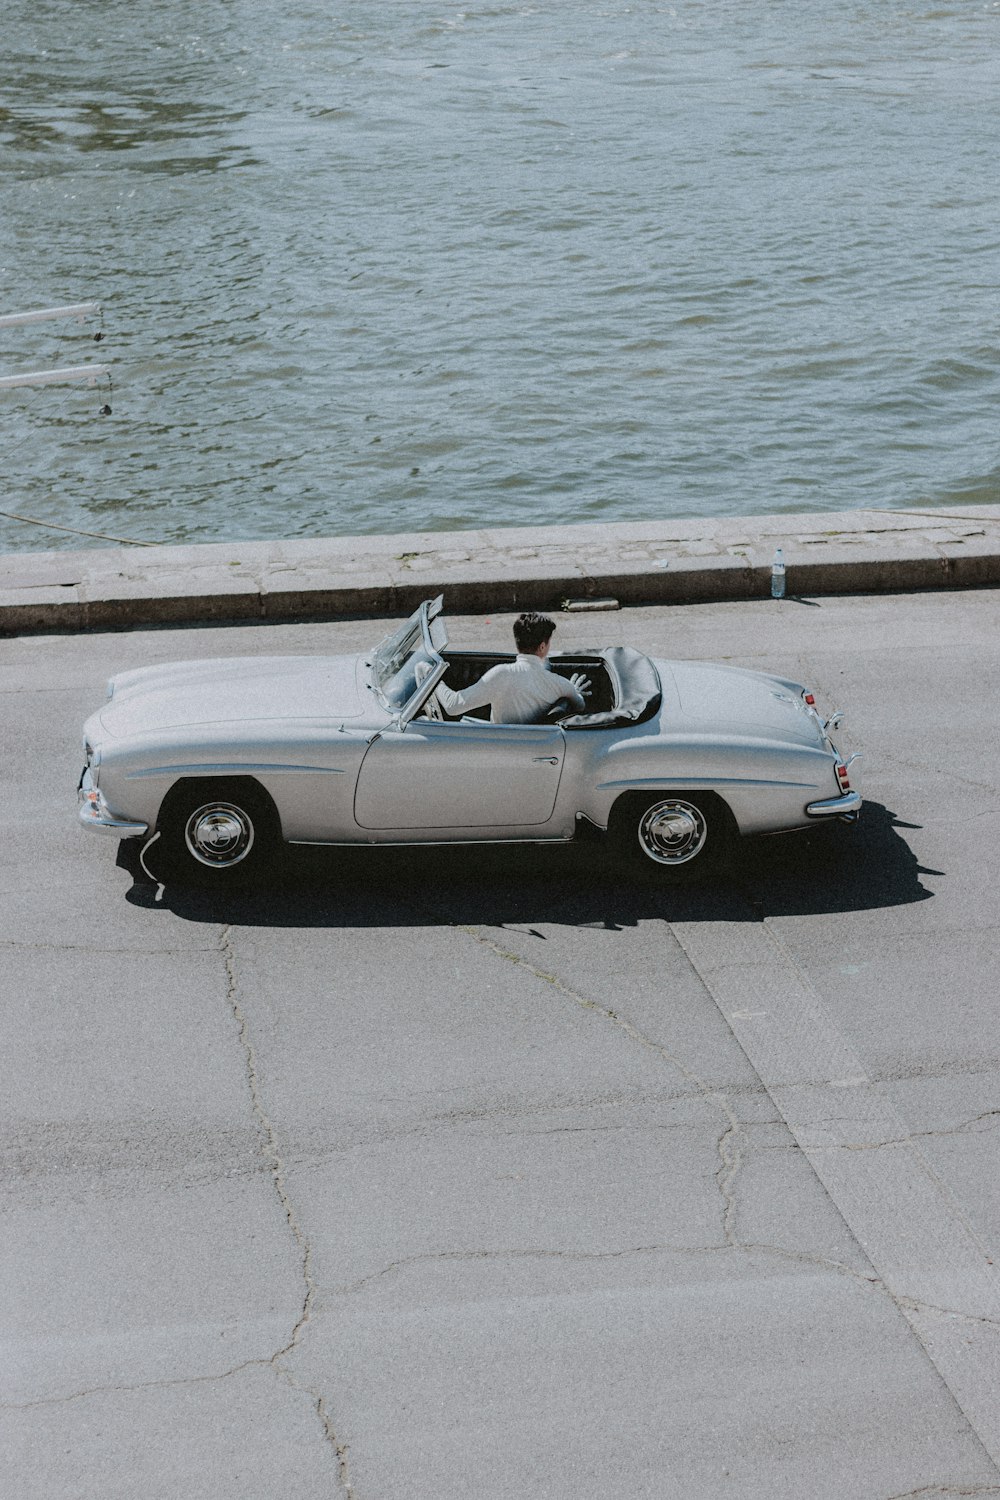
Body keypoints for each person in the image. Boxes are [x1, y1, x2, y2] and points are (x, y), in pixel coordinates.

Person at [429, 612, 591, 724]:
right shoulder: (558, 684)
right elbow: (580, 705)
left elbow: (453, 706)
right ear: (542, 647)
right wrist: (573, 690)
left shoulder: (501, 674)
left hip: (497, 745)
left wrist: (432, 677)